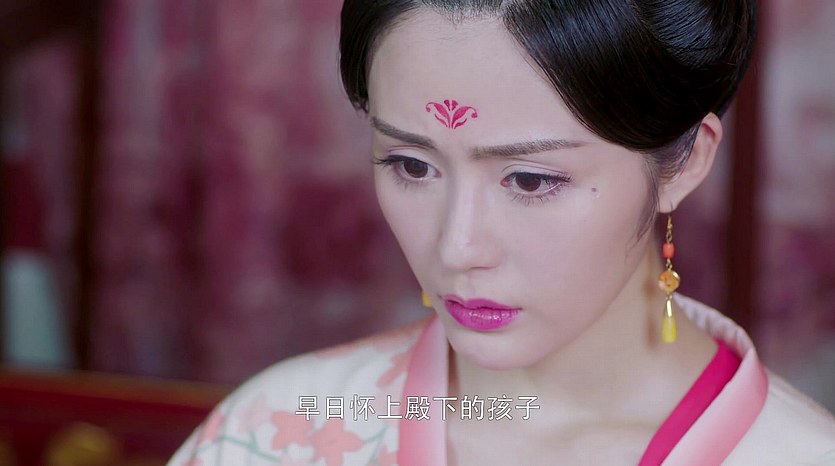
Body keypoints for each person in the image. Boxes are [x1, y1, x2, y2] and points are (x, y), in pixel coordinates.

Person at [169, 1, 835, 465]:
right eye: (411, 165)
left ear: (684, 161)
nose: (456, 248)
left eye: (530, 180)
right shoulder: (279, 432)